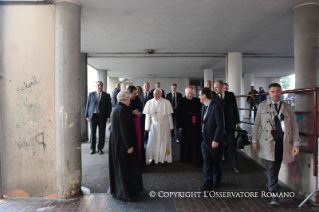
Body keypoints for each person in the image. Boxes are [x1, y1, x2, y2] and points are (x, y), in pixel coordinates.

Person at [252, 83, 299, 206]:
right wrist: (254, 140)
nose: (275, 94)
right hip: (268, 142)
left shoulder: (288, 107)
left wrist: (296, 144)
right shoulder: (262, 106)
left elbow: (294, 126)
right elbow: (256, 124)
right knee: (271, 167)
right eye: (273, 91)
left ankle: (271, 184)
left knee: (276, 166)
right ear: (269, 92)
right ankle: (274, 195)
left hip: (284, 141)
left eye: (278, 91)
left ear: (281, 92)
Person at [109, 91, 143, 201]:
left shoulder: (117, 108)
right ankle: (126, 193)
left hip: (117, 143)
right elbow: (125, 130)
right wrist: (129, 146)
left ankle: (121, 191)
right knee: (126, 168)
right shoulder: (123, 110)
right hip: (123, 145)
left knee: (121, 168)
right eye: (130, 98)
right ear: (127, 98)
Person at [198, 87, 224, 191]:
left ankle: (216, 180)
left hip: (214, 141)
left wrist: (216, 140)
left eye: (200, 95)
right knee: (206, 162)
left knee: (216, 162)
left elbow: (220, 125)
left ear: (204, 96)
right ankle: (207, 183)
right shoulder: (204, 106)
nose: (198, 97)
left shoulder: (216, 107)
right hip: (204, 140)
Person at [213, 80, 240, 173]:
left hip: (229, 124)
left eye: (216, 87)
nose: (215, 89)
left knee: (231, 145)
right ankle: (218, 166)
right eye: (214, 87)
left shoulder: (230, 95)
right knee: (219, 145)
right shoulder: (213, 96)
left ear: (221, 87)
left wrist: (237, 122)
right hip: (218, 125)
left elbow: (235, 108)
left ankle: (235, 166)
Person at [143, 89, 173, 166]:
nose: (155, 95)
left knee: (164, 142)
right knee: (153, 142)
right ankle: (152, 158)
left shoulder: (166, 102)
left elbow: (169, 116)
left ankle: (163, 159)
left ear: (161, 94)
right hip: (154, 126)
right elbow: (148, 116)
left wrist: (171, 126)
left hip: (165, 125)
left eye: (157, 94)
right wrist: (147, 126)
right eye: (154, 94)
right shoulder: (149, 102)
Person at [177, 86, 202, 165]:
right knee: (185, 142)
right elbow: (178, 114)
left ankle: (194, 158)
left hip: (195, 126)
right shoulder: (181, 101)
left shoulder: (197, 101)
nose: (190, 95)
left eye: (191, 93)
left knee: (195, 142)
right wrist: (179, 125)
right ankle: (185, 159)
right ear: (185, 93)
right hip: (185, 125)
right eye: (188, 94)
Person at [85, 81, 112, 155]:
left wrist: (109, 116)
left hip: (102, 117)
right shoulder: (91, 94)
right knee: (92, 133)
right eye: (98, 85)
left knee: (101, 133)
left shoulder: (106, 95)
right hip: (93, 116)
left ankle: (100, 148)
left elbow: (109, 107)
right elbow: (88, 105)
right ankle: (92, 148)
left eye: (101, 85)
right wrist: (86, 115)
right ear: (96, 86)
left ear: (102, 87)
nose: (99, 87)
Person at [127, 85, 144, 164]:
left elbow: (140, 109)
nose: (136, 94)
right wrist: (132, 112)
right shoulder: (125, 100)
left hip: (136, 121)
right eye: (134, 93)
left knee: (138, 139)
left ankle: (139, 160)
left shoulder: (137, 99)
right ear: (129, 93)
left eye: (136, 93)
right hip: (127, 122)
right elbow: (123, 111)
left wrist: (135, 112)